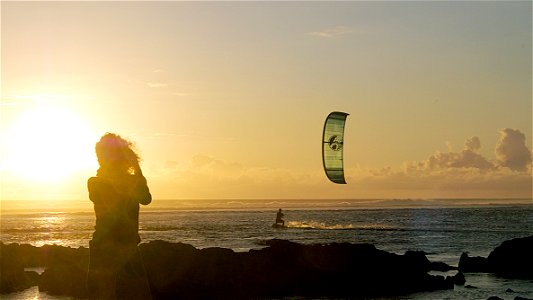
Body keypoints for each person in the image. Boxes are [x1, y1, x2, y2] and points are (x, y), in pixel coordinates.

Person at [86, 133, 152, 299]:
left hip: (127, 248)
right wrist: (133, 169)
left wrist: (135, 168)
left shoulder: (131, 181)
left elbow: (146, 198)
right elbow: (109, 196)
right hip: (105, 249)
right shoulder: (96, 182)